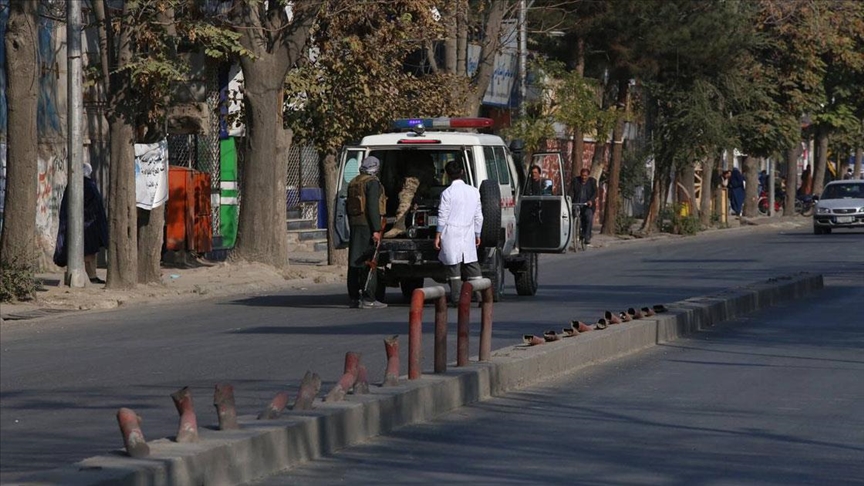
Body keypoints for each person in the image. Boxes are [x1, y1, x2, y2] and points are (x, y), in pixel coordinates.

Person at [434, 160, 484, 304]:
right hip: (468, 231)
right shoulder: (474, 191)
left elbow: (442, 215)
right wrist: (477, 234)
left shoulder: (447, 193)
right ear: (462, 172)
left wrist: (438, 235)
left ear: (447, 175)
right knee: (472, 265)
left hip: (450, 232)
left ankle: (457, 299)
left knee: (453, 267)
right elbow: (478, 216)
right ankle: (482, 297)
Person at [53, 162, 109, 284]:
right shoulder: (87, 185)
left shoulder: (76, 184)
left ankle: (91, 275)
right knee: (88, 252)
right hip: (87, 226)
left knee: (89, 252)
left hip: (84, 225)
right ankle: (90, 276)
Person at [346, 156, 388, 309]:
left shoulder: (354, 181)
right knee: (370, 262)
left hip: (356, 224)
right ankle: (369, 298)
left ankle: (353, 297)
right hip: (367, 227)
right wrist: (376, 229)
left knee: (354, 262)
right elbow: (372, 207)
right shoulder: (372, 183)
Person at [384, 152, 436, 238]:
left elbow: (408, 191)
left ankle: (399, 225)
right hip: (425, 166)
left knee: (406, 194)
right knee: (418, 193)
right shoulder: (426, 160)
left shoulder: (413, 160)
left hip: (416, 166)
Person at [568, 168, 597, 247]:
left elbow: (595, 193)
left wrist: (591, 200)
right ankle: (575, 233)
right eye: (582, 175)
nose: (584, 177)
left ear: (588, 176)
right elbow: (571, 191)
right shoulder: (575, 181)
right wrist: (569, 200)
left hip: (587, 205)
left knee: (588, 217)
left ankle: (587, 236)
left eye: (585, 176)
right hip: (577, 203)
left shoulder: (592, 182)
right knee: (574, 216)